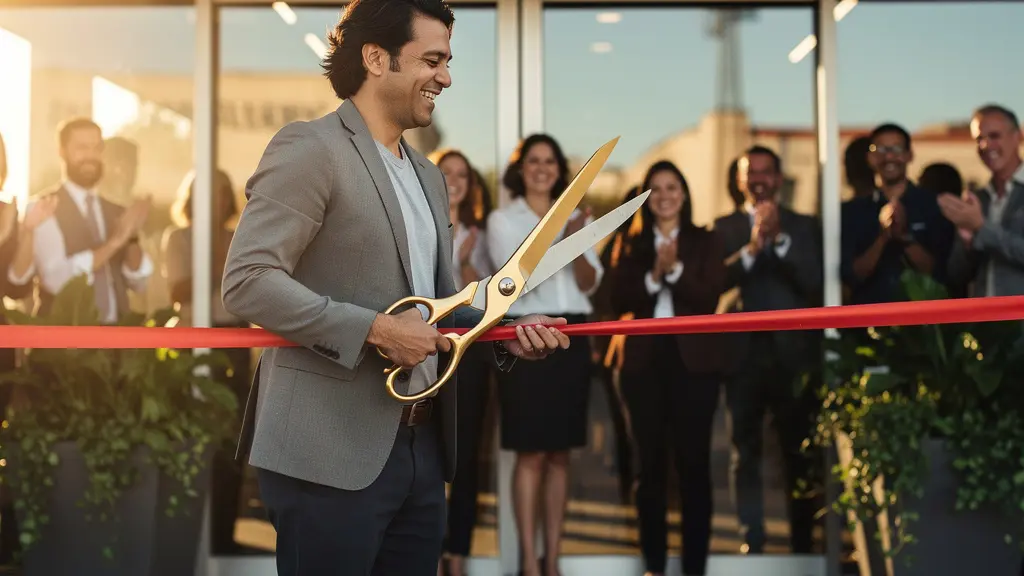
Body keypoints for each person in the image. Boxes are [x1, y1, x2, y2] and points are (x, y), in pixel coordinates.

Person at [219, 0, 570, 574]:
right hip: (327, 453)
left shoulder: (428, 176)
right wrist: (377, 330)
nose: (446, 78)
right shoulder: (310, 148)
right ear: (376, 58)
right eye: (432, 60)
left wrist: (505, 332)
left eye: (447, 61)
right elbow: (247, 281)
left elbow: (439, 308)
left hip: (420, 454)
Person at [486, 133, 601, 576]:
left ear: (558, 169)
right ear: (521, 168)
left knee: (560, 454)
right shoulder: (502, 219)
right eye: (533, 160)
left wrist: (577, 239)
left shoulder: (578, 217)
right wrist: (564, 237)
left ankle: (553, 560)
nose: (541, 168)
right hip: (526, 334)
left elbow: (589, 282)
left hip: (573, 334)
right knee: (530, 453)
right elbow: (517, 283)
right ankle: (529, 564)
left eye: (549, 161)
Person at [611, 161, 726, 576]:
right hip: (642, 365)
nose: (664, 195)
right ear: (646, 197)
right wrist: (654, 275)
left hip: (694, 365)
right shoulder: (630, 241)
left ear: (684, 193)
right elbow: (616, 296)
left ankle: (694, 568)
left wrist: (674, 270)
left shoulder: (705, 240)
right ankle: (655, 567)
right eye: (655, 188)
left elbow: (710, 295)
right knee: (649, 469)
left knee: (694, 467)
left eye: (672, 187)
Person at [714, 145, 823, 555]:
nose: (758, 179)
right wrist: (753, 248)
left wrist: (778, 240)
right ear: (739, 180)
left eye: (765, 172)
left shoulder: (803, 225)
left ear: (778, 179)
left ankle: (802, 545)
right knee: (744, 453)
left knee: (798, 453)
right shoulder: (723, 227)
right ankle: (752, 540)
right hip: (741, 357)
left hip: (792, 357)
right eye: (750, 173)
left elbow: (815, 282)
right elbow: (714, 284)